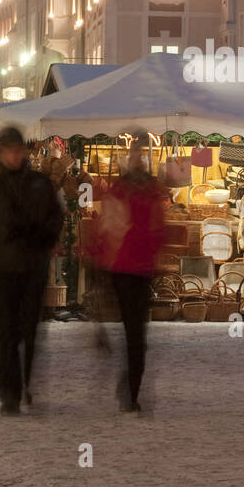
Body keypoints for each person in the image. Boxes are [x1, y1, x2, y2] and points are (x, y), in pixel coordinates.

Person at [0, 127, 64, 414]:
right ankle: (9, 393)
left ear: (24, 152)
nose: (14, 155)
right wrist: (1, 233)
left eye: (18, 150)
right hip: (3, 268)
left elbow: (55, 218)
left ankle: (25, 384)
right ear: (1, 152)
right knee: (7, 333)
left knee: (30, 331)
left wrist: (42, 237)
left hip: (33, 266)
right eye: (9, 150)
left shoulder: (39, 183)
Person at [90, 133, 167, 413]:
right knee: (131, 332)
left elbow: (159, 228)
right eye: (136, 151)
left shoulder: (152, 190)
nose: (140, 156)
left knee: (137, 336)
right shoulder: (119, 190)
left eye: (143, 152)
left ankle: (131, 390)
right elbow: (108, 227)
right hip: (121, 268)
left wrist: (152, 250)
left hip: (141, 269)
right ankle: (130, 388)